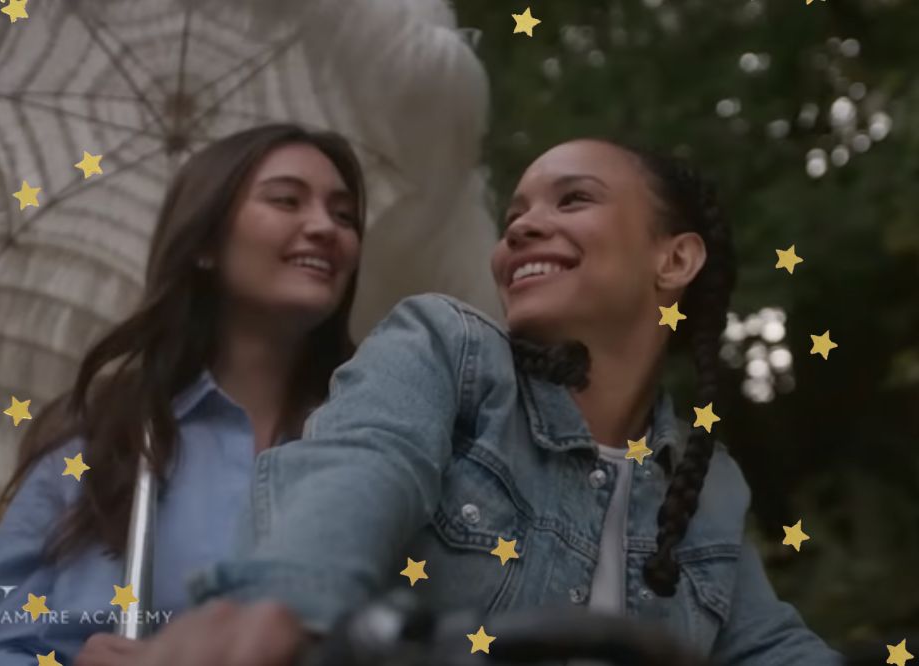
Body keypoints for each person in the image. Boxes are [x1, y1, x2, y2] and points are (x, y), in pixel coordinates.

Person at [133, 138, 843, 666]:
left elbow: (771, 646)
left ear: (676, 260)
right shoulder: (446, 351)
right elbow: (362, 464)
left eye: (573, 199)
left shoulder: (707, 483)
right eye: (514, 215)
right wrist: (278, 601)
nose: (521, 229)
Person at [0, 123, 367, 666]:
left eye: (344, 215)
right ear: (204, 245)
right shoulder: (96, 441)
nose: (323, 227)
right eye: (286, 200)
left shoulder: (375, 441)